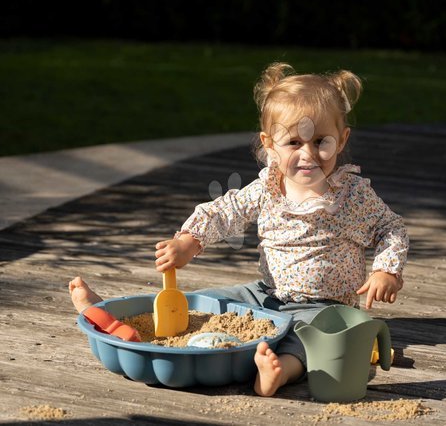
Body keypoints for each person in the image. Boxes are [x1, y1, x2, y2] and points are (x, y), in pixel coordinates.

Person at [71, 62, 409, 397]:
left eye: (321, 141)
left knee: (311, 343)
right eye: (294, 142)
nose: (308, 154)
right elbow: (225, 210)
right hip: (265, 293)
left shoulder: (352, 195)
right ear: (269, 145)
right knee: (209, 303)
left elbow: (390, 228)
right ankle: (112, 321)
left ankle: (276, 373)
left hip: (326, 306)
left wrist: (385, 271)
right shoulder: (268, 188)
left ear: (342, 138)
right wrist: (190, 241)